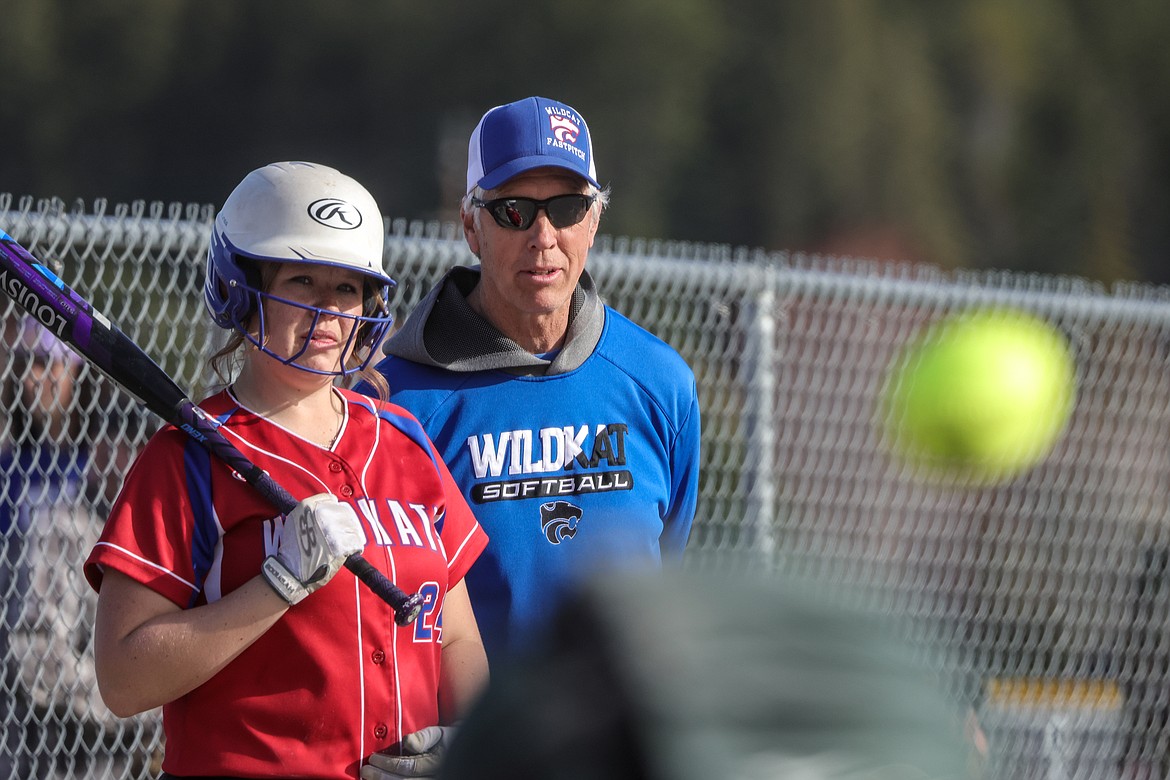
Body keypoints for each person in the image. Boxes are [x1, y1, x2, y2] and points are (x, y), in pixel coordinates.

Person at [83, 161, 489, 779]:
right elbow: (122, 677)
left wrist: (465, 751)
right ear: (242, 290)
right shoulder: (189, 457)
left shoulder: (404, 440)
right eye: (301, 281)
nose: (328, 309)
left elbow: (455, 638)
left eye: (347, 288)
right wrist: (277, 585)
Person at [358, 96, 701, 664]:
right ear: (471, 226)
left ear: (592, 222)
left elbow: (666, 573)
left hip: (613, 744)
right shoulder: (393, 405)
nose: (543, 236)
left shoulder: (660, 385)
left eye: (566, 208)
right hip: (467, 747)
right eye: (514, 211)